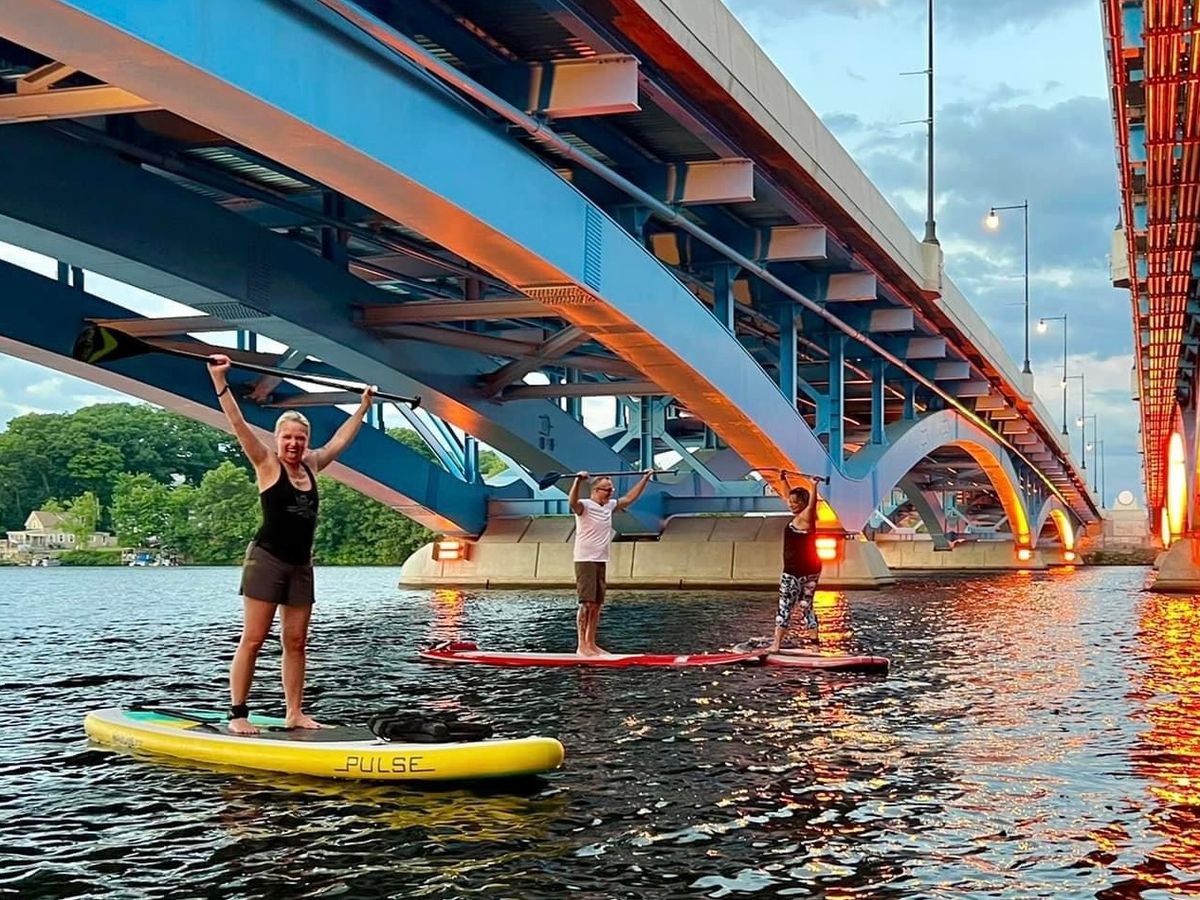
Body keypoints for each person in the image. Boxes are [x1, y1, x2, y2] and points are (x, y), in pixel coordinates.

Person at [208, 354, 376, 735]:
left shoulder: (313, 465)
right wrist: (220, 381)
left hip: (301, 565)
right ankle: (237, 714)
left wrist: (363, 407)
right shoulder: (266, 463)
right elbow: (236, 423)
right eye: (287, 438)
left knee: (297, 641)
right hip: (267, 560)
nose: (294, 444)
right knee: (253, 638)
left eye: (300, 438)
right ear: (277, 439)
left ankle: (295, 713)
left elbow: (341, 442)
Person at [567, 470, 655, 655]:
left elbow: (630, 498)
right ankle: (581, 646)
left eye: (611, 489)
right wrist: (577, 481)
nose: (610, 493)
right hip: (585, 559)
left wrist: (645, 479)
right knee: (587, 603)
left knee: (597, 604)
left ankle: (591, 643)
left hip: (601, 559)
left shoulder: (609, 506)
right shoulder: (585, 505)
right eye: (606, 490)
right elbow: (572, 502)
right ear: (595, 490)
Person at [766, 475, 825, 655]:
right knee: (806, 606)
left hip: (794, 572)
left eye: (794, 502)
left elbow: (812, 504)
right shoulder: (803, 516)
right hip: (812, 569)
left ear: (803, 503)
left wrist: (814, 487)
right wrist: (783, 480)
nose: (790, 504)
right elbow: (788, 497)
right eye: (790, 502)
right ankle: (815, 647)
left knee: (785, 606)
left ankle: (776, 645)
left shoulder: (806, 517)